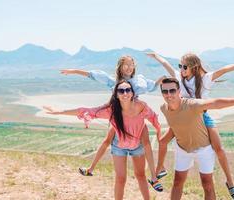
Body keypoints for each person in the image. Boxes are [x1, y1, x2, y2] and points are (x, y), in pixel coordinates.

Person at [147, 52, 234, 198]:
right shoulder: (179, 79)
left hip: (202, 116)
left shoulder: (205, 79)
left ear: (193, 67)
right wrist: (156, 56)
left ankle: (230, 181)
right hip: (182, 118)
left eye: (184, 66)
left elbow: (227, 69)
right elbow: (166, 65)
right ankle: (160, 169)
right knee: (163, 141)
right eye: (180, 66)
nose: (181, 69)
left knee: (218, 148)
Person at [60, 55, 167, 190]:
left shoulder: (138, 81)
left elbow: (152, 87)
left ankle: (154, 176)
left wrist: (161, 79)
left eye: (131, 64)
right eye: (126, 64)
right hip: (118, 116)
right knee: (106, 141)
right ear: (120, 67)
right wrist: (75, 71)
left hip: (135, 117)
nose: (129, 67)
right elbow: (94, 75)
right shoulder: (114, 81)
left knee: (147, 144)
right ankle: (90, 169)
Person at [44, 80, 162, 199]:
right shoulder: (110, 110)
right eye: (121, 91)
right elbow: (85, 110)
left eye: (128, 90)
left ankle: (152, 181)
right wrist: (59, 112)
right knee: (120, 178)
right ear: (116, 94)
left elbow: (154, 118)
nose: (125, 93)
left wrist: (158, 131)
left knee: (140, 175)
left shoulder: (141, 107)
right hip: (119, 146)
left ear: (132, 93)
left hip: (136, 145)